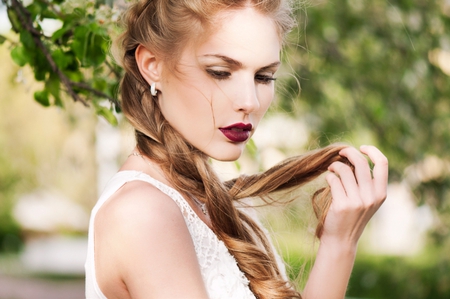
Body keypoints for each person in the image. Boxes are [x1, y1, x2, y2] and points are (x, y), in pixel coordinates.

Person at [85, 0, 388, 298]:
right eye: (220, 71)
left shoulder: (213, 204)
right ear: (153, 66)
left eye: (263, 77)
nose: (250, 101)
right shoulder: (142, 213)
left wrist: (340, 242)